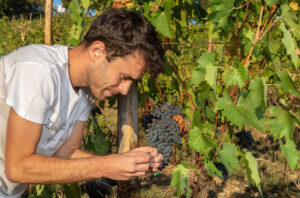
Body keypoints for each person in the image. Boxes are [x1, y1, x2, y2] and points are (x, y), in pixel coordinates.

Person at [0, 8, 165, 198]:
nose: (125, 89)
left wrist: (122, 162)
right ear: (97, 52)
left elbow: (65, 152)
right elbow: (18, 168)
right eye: (123, 76)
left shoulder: (85, 92)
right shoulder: (38, 72)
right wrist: (106, 166)